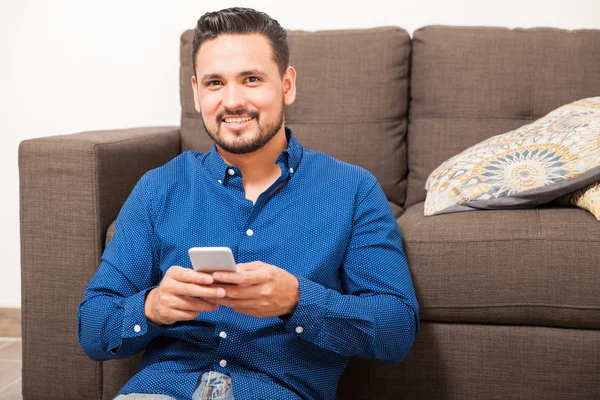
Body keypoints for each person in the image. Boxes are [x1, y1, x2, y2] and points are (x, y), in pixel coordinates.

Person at [77, 7, 420, 400]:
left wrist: (297, 300)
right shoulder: (158, 188)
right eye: (215, 83)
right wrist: (152, 306)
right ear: (195, 92)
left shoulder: (353, 190)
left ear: (287, 85)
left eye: (251, 79)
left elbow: (396, 331)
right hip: (161, 390)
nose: (232, 101)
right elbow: (92, 327)